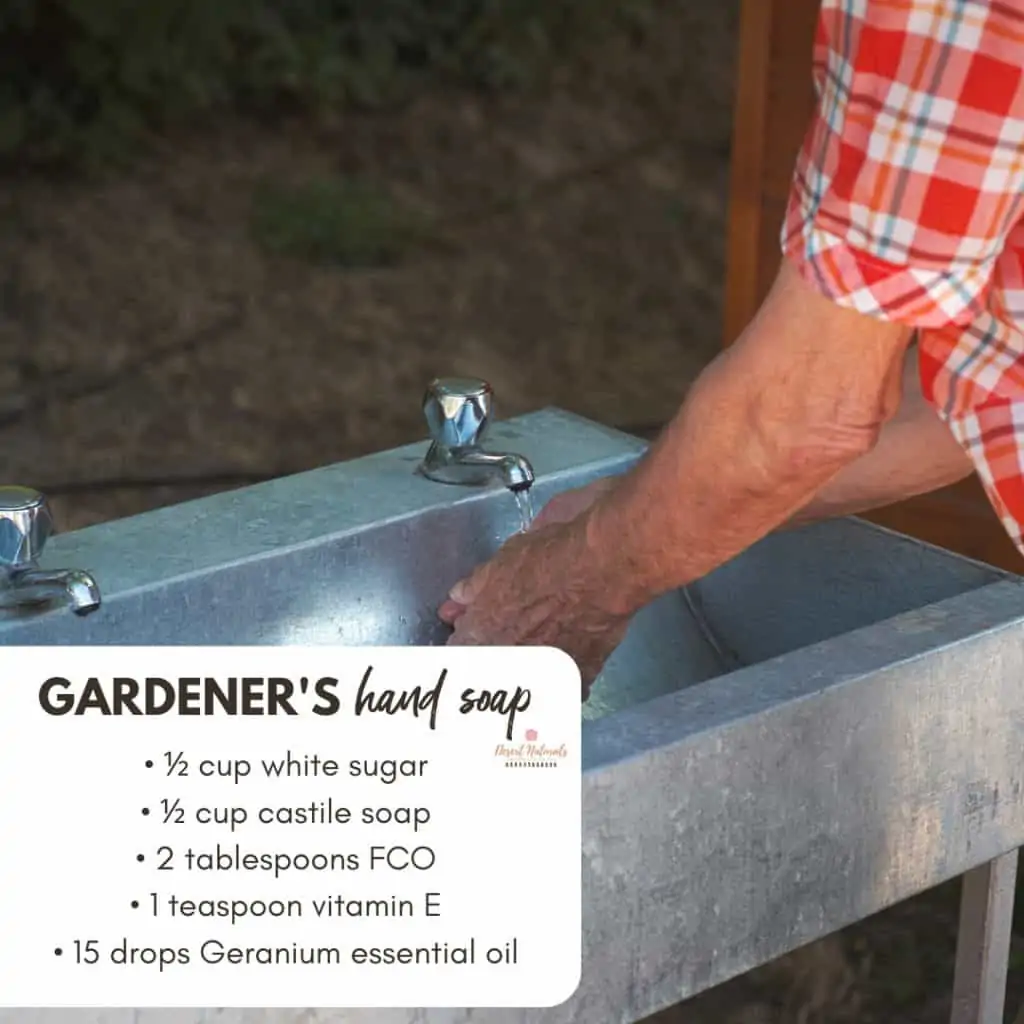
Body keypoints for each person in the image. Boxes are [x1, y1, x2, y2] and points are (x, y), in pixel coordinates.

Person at [438, 0, 1024, 697]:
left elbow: (811, 410)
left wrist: (579, 584)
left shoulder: (942, 17)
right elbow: (963, 396)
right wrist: (635, 508)